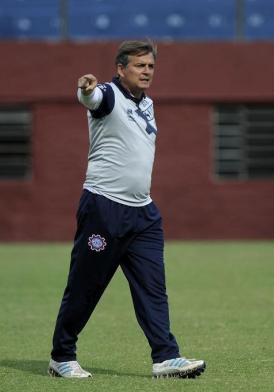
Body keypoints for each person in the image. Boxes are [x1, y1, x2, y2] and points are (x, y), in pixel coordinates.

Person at [48, 40, 206, 378]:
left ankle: (165, 356)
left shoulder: (148, 104)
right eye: (139, 65)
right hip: (104, 208)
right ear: (121, 69)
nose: (147, 71)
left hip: (143, 214)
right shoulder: (107, 95)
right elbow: (93, 98)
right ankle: (61, 356)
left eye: (150, 66)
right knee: (85, 285)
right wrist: (86, 89)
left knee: (153, 287)